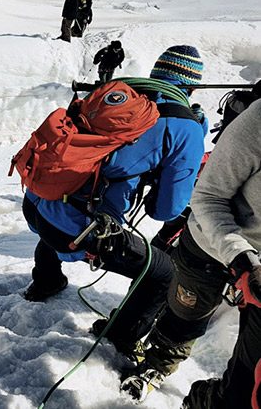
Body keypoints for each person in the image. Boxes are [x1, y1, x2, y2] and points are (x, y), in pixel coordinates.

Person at [22, 45, 207, 362]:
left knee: (58, 219)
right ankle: (121, 335)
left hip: (37, 199)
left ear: (156, 75)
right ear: (190, 86)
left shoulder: (114, 94)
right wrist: (193, 132)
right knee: (163, 274)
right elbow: (166, 210)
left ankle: (46, 281)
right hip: (79, 229)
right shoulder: (185, 128)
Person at [121, 97, 261, 407]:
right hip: (210, 247)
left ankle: (217, 399)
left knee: (247, 383)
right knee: (187, 315)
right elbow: (208, 196)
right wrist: (241, 257)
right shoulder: (259, 120)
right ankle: (159, 363)